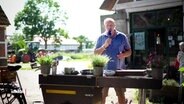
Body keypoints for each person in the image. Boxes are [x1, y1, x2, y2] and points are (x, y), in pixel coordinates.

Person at [94, 18, 132, 104]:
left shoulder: (122, 36)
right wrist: (105, 45)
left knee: (121, 94)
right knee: (102, 95)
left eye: (111, 25)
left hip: (119, 71)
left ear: (115, 25)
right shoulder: (101, 37)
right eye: (107, 25)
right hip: (104, 72)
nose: (109, 27)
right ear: (105, 26)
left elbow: (129, 51)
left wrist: (123, 55)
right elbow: (95, 53)